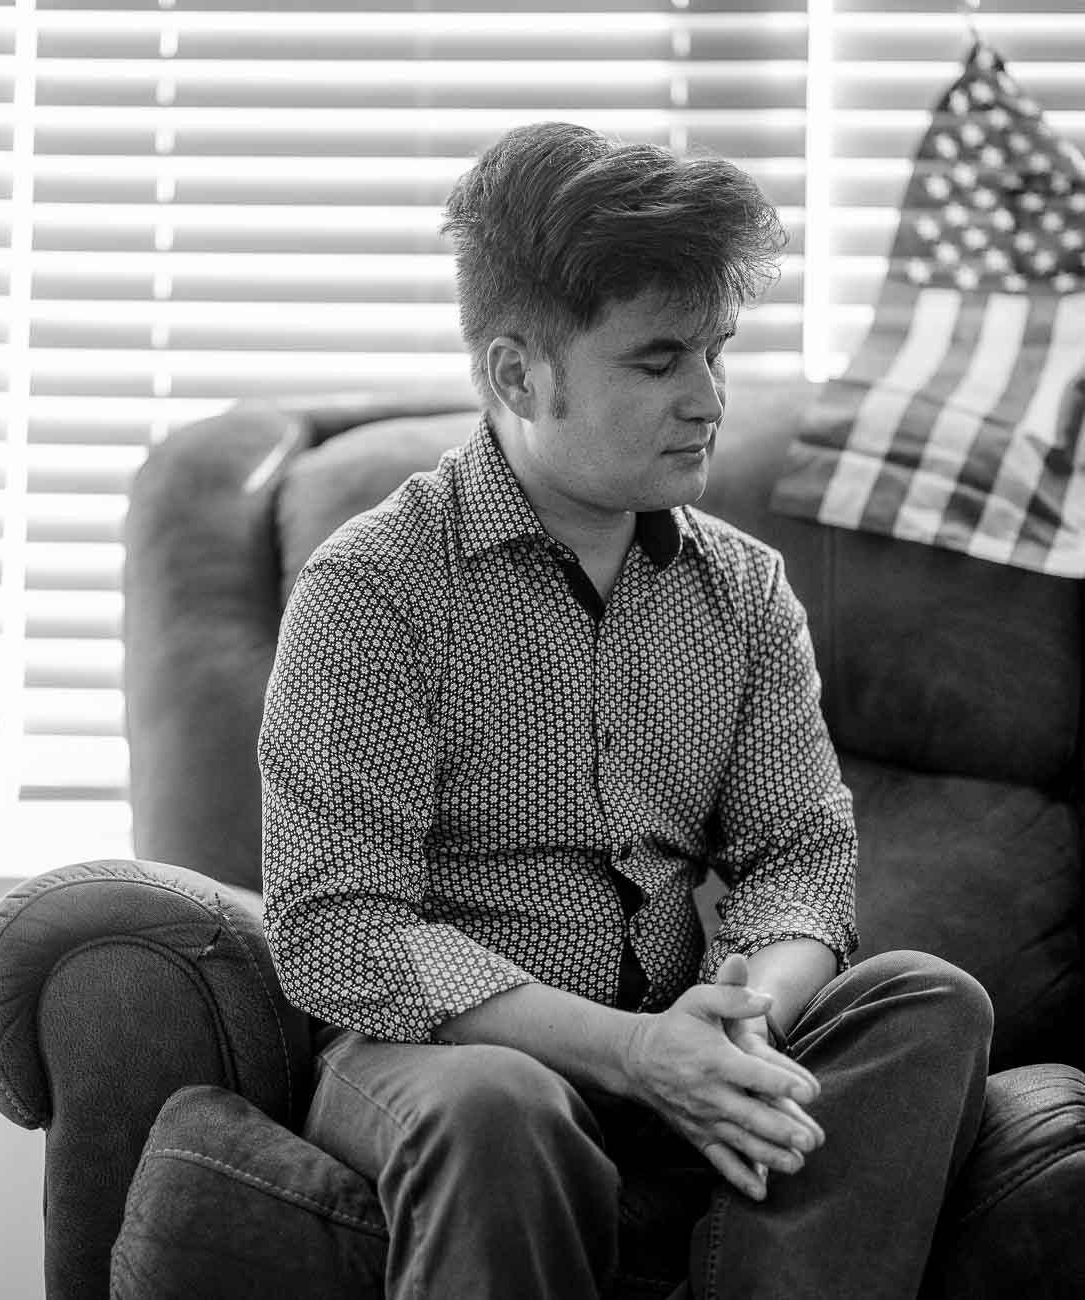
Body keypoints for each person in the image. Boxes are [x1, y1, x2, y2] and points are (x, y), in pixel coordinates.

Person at [259, 121, 992, 1299]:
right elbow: (341, 928)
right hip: (452, 1058)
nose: (709, 398)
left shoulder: (743, 590)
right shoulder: (373, 588)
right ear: (516, 374)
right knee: (501, 1104)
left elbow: (803, 857)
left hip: (679, 1045)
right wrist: (633, 1053)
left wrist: (737, 1025)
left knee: (928, 1003)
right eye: (659, 362)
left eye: (717, 351)